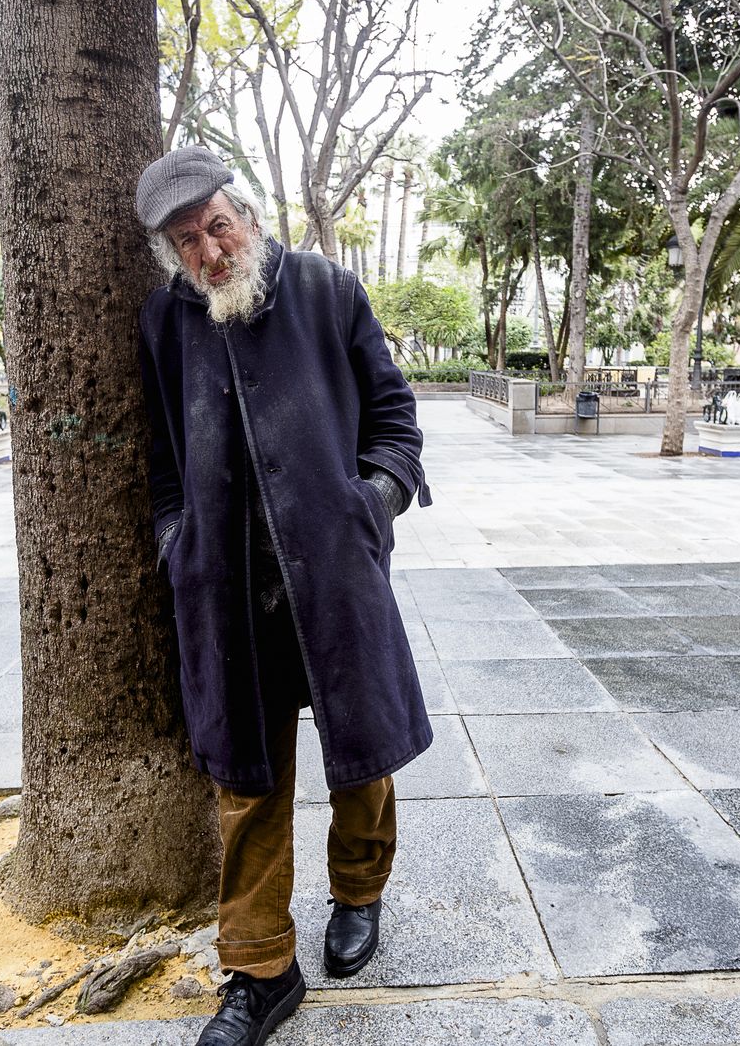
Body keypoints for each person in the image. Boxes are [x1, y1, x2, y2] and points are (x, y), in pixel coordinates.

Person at [135, 145, 434, 1046]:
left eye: (218, 227)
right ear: (174, 256)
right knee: (245, 780)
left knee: (362, 754)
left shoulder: (327, 290)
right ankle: (260, 966)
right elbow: (160, 462)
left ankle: (359, 891)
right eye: (188, 242)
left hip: (334, 575)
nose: (209, 252)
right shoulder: (163, 322)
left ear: (249, 219)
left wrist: (366, 508)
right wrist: (175, 544)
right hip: (225, 591)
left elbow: (396, 420)